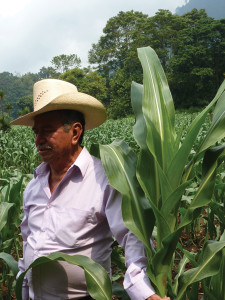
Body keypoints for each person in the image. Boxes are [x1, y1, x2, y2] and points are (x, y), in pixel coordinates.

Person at [12, 79, 170, 300]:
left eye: (47, 131)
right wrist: (22, 285)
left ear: (75, 133)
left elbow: (133, 235)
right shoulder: (34, 185)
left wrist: (141, 290)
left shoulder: (104, 179)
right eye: (36, 132)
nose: (38, 140)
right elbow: (29, 240)